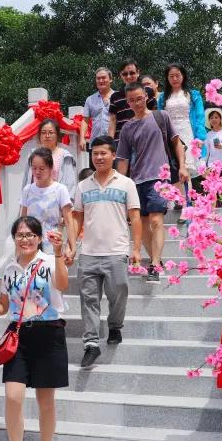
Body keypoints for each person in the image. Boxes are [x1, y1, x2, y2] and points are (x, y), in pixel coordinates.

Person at [0, 216, 69, 441]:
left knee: (45, 400)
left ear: (39, 238)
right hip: (18, 335)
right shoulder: (10, 269)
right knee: (13, 396)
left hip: (49, 333)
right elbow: (3, 307)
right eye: (20, 235)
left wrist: (60, 253)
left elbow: (62, 286)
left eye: (30, 235)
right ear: (14, 239)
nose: (25, 239)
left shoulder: (50, 262)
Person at [71, 135, 141, 368]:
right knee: (88, 299)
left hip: (116, 250)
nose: (99, 157)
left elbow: (134, 216)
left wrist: (136, 248)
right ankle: (91, 344)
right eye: (95, 153)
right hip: (89, 253)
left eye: (103, 153)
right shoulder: (82, 186)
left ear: (113, 155)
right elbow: (77, 218)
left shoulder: (126, 184)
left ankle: (114, 326)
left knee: (118, 292)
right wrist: (72, 246)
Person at [116, 83, 188, 283]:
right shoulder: (127, 128)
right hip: (136, 180)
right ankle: (156, 260)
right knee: (144, 224)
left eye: (139, 98)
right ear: (127, 102)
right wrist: (120, 185)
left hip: (159, 177)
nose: (136, 103)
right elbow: (122, 160)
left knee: (156, 220)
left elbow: (176, 142)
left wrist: (182, 166)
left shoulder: (161, 117)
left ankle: (154, 265)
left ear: (146, 97)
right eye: (131, 100)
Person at [157, 64, 207, 207]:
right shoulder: (162, 97)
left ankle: (187, 206)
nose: (174, 79)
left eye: (177, 75)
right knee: (174, 166)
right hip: (170, 134)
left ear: (183, 76)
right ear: (167, 78)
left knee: (186, 167)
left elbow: (199, 117)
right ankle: (179, 200)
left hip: (188, 132)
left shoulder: (193, 95)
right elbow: (161, 117)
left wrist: (200, 137)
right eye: (171, 76)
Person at [20, 147, 77, 263]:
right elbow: (23, 220)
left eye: (42, 168)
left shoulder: (60, 189)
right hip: (31, 244)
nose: (37, 172)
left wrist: (72, 246)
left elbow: (69, 220)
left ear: (51, 168)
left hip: (53, 244)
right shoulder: (27, 190)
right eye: (34, 168)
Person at [21, 118, 78, 199]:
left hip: (57, 202)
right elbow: (26, 180)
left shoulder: (65, 156)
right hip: (35, 202)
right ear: (39, 136)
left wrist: (65, 205)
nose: (47, 136)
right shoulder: (33, 154)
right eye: (43, 133)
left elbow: (70, 185)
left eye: (51, 133)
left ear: (57, 135)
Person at [107, 59, 155, 143]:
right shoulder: (115, 96)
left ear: (138, 72)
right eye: (125, 74)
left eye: (132, 73)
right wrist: (109, 143)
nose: (128, 76)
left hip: (145, 139)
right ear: (120, 75)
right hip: (122, 141)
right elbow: (112, 121)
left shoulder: (148, 91)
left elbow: (154, 114)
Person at [79, 67, 114, 154]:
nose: (101, 80)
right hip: (96, 143)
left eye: (103, 78)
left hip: (114, 143)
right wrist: (82, 138)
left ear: (110, 79)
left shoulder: (118, 97)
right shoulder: (90, 99)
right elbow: (85, 120)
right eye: (98, 78)